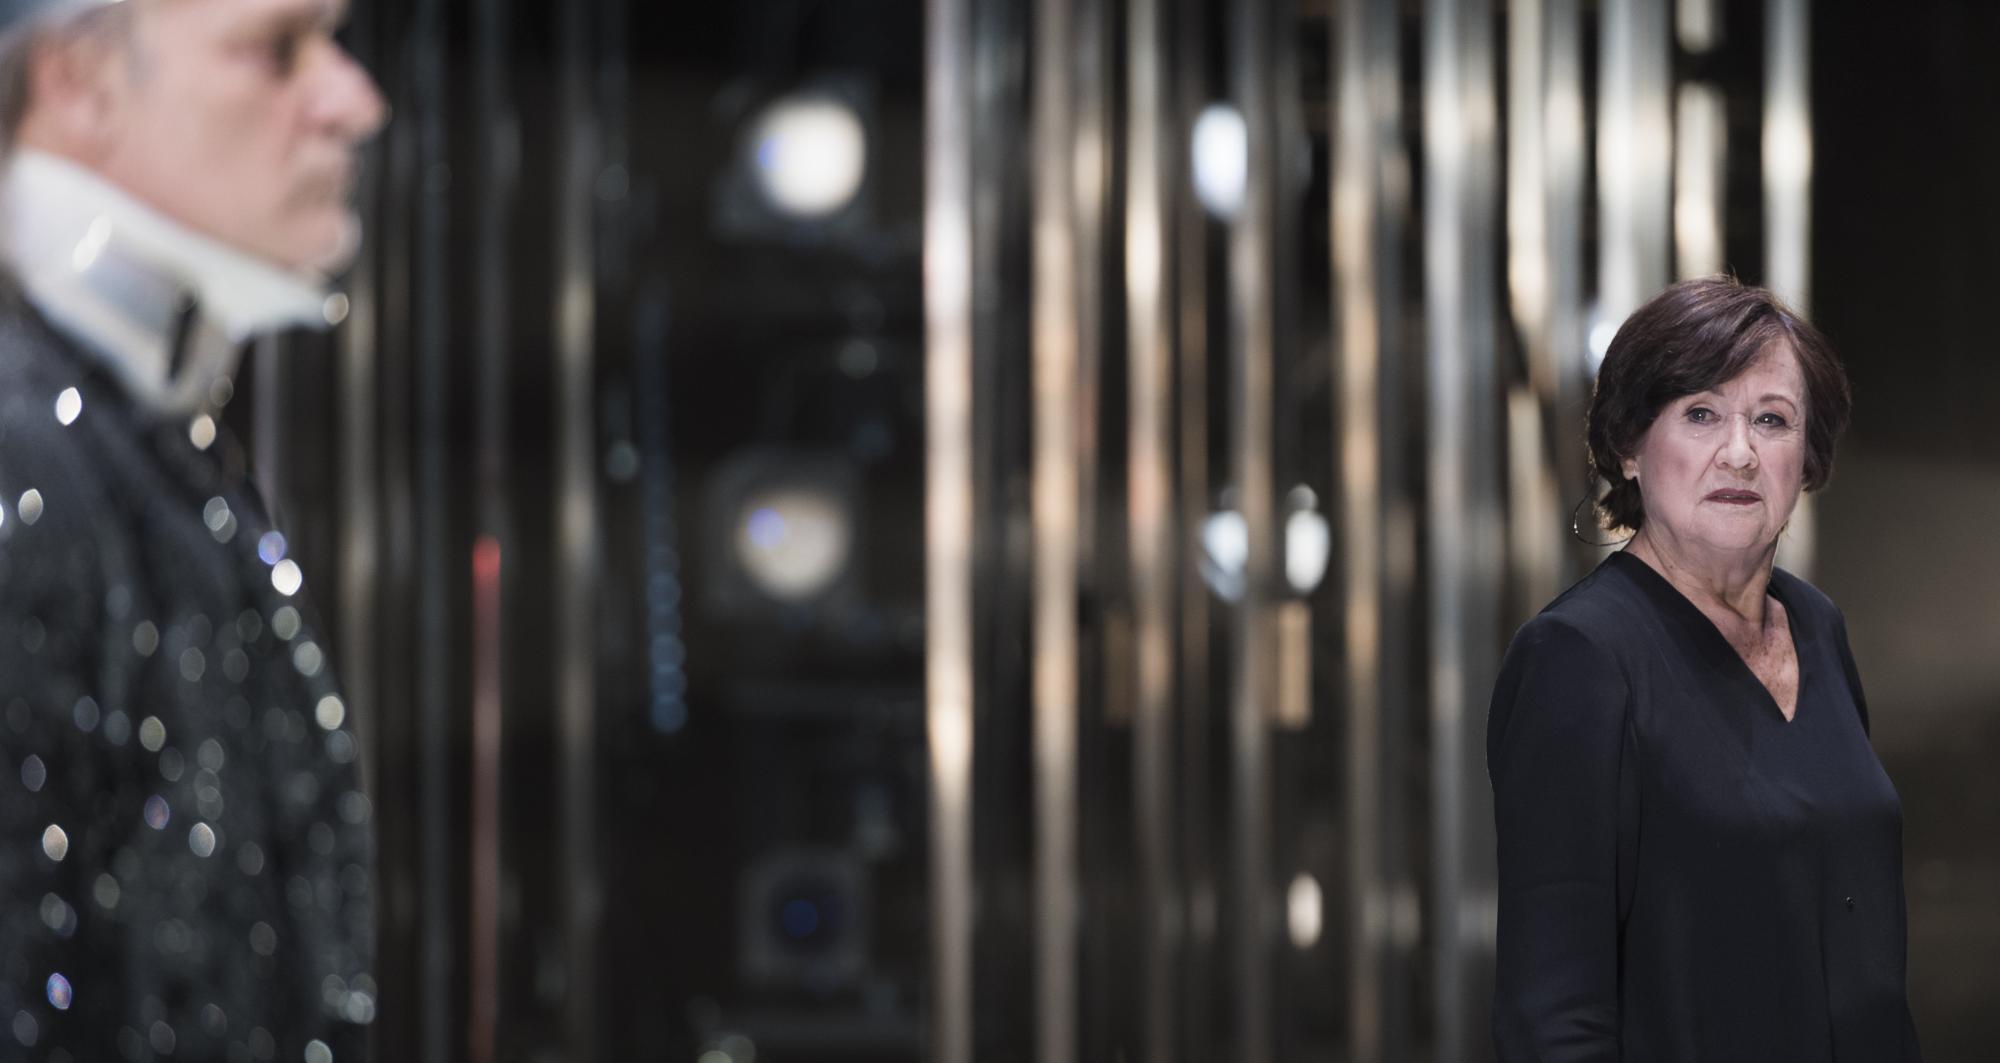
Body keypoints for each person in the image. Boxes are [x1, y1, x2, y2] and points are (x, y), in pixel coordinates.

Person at [0, 0, 386, 1060]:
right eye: (276, 50)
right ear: (79, 85)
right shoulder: (32, 459)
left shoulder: (134, 442)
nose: (352, 101)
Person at [1487, 277, 1923, 1061]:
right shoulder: (1578, 659)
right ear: (1630, 446)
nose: (1740, 452)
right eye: (1700, 413)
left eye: (1772, 419)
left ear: (1808, 460)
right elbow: (1554, 1015)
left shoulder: (1819, 628)